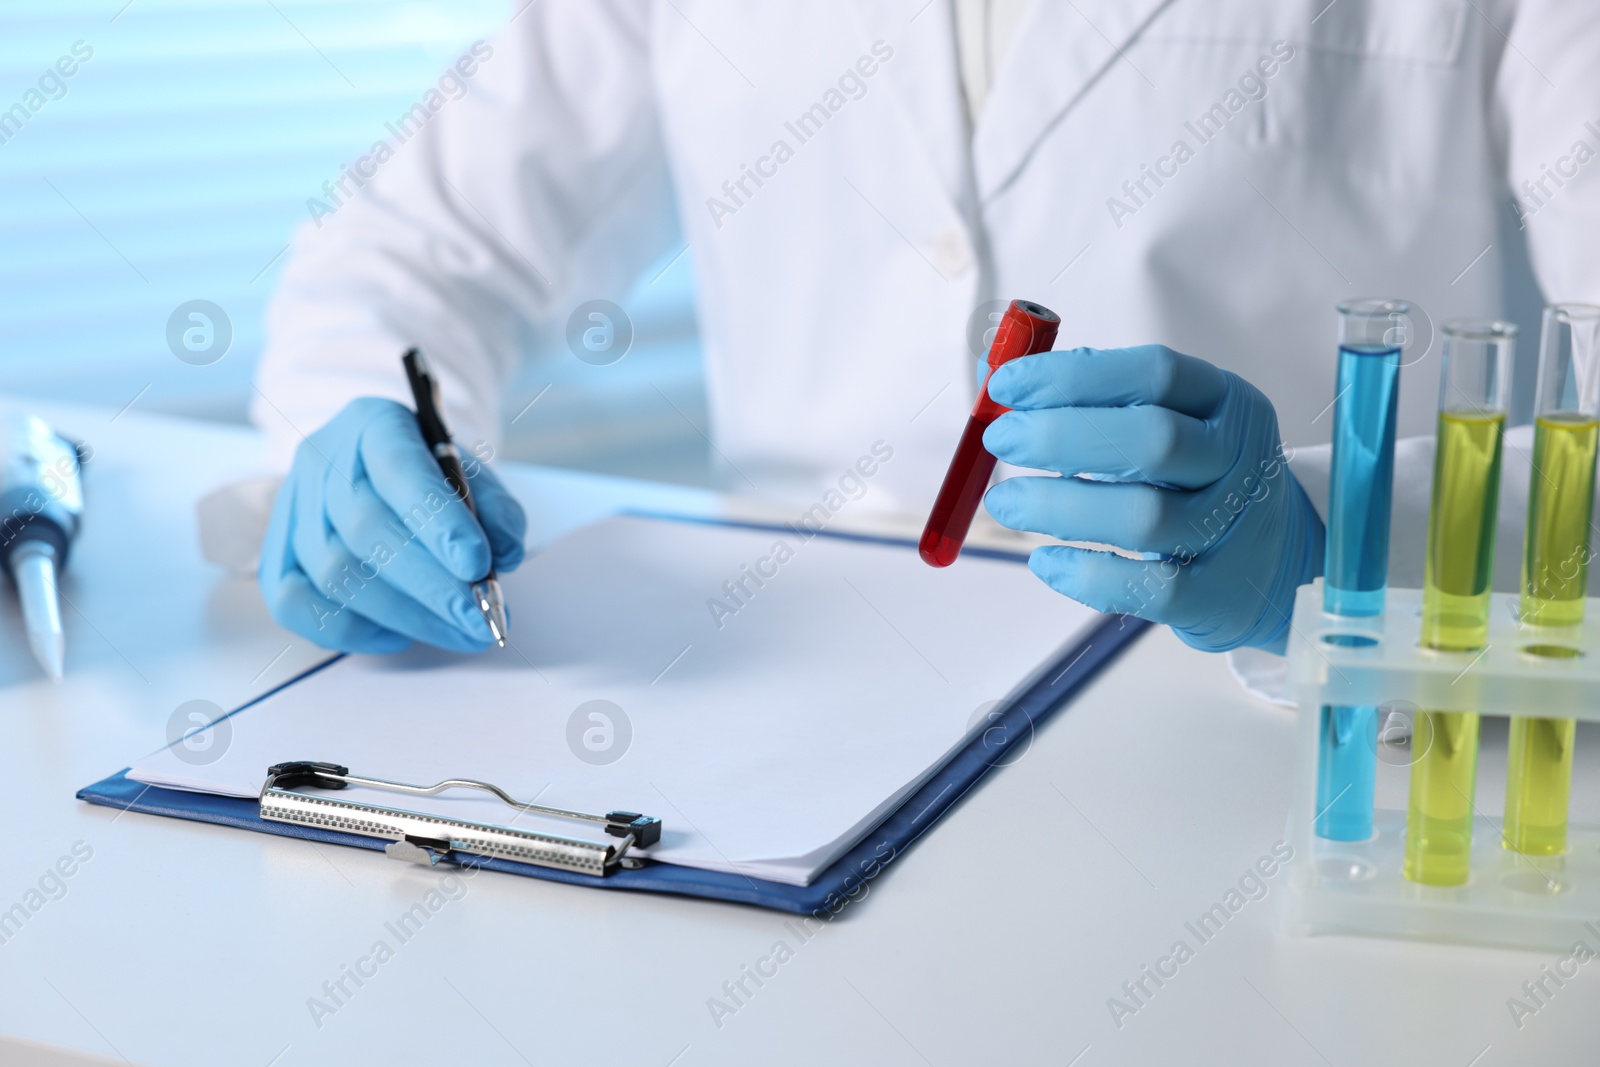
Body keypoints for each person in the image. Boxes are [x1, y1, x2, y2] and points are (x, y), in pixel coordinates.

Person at [250, 0, 1599, 674]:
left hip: (1285, 721)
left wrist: (1343, 527)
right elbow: (418, 254)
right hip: (779, 708)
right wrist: (363, 430)